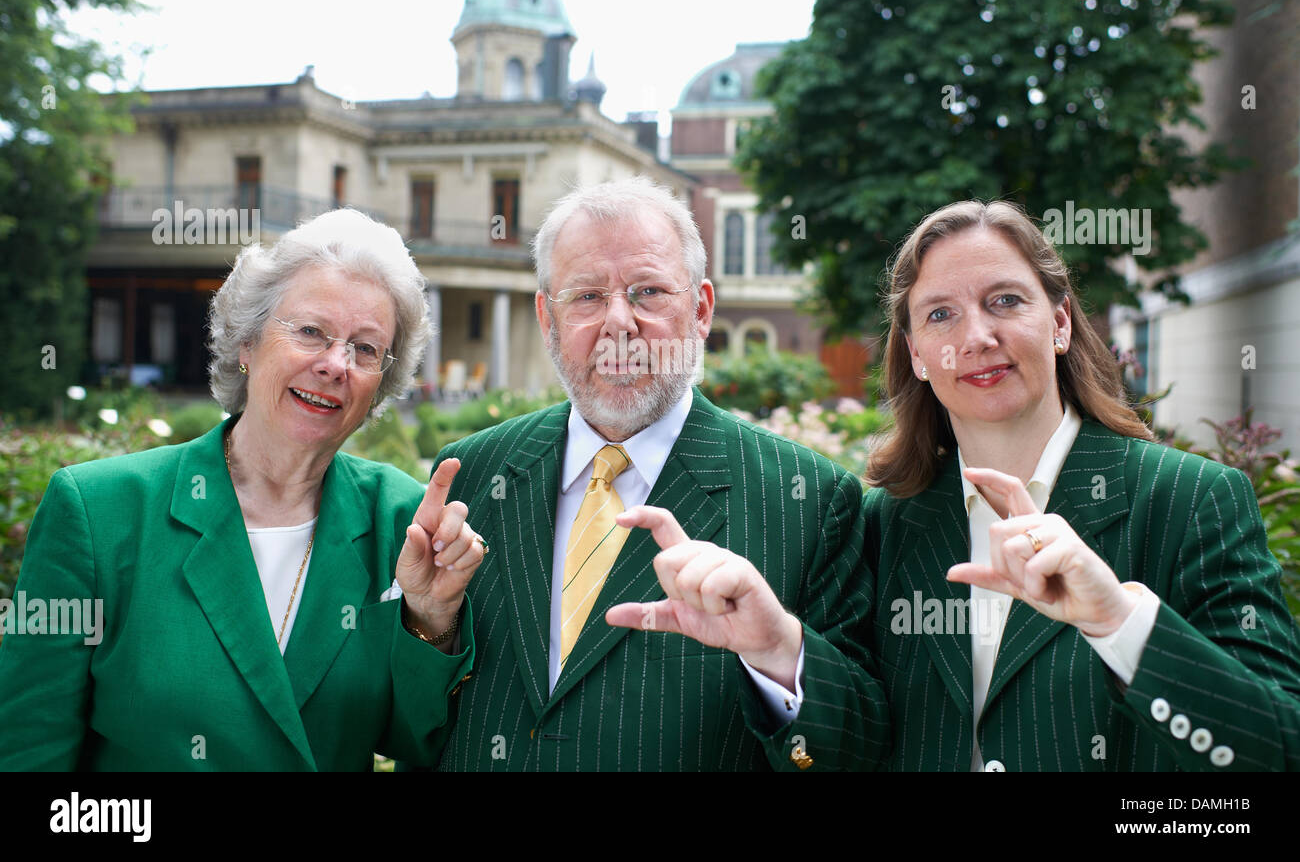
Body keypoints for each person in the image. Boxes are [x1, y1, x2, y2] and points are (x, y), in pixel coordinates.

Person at [411, 177, 887, 771]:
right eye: (586, 296)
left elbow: (862, 746)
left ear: (702, 310)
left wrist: (775, 650)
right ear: (546, 318)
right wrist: (428, 624)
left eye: (648, 292)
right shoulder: (473, 473)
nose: (618, 322)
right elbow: (418, 729)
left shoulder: (809, 500)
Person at [0, 209, 484, 771]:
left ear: (381, 385)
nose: (335, 364)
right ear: (247, 343)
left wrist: (430, 619)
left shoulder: (404, 519)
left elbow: (417, 743)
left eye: (365, 349)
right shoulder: (96, 511)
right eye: (310, 332)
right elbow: (27, 751)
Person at [863, 199, 1300, 771]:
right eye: (940, 314)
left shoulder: (1191, 500)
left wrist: (1119, 620)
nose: (976, 336)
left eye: (1005, 301)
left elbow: (1278, 750)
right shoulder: (883, 523)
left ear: (1061, 323)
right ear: (917, 354)